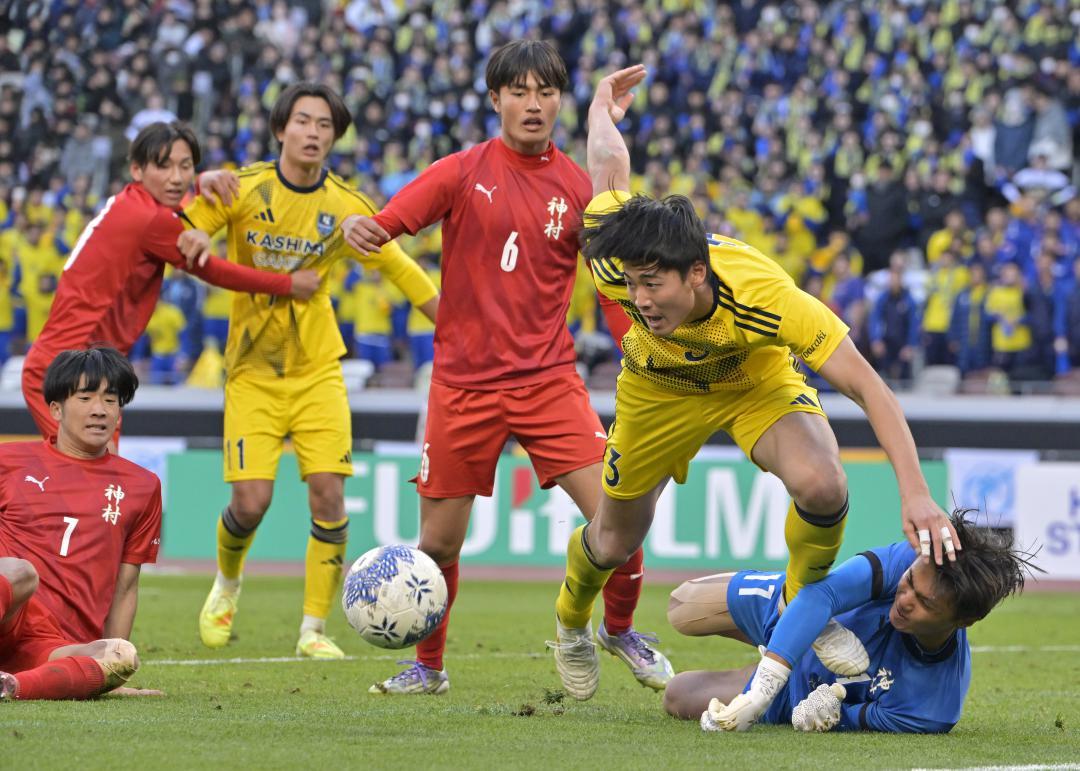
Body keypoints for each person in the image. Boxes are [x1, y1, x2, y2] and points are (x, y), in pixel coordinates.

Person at [551, 65, 958, 702]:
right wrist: (601, 107)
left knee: (824, 484)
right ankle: (572, 623)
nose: (637, 299)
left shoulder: (765, 295)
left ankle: (804, 608)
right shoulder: (618, 257)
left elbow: (870, 388)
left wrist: (916, 493)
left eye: (652, 286)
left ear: (695, 274)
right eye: (630, 284)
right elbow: (608, 171)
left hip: (751, 382)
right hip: (656, 390)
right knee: (613, 538)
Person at [339, 40, 669, 696]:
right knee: (436, 546)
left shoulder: (578, 187)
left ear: (558, 102)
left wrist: (641, 352)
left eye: (546, 92)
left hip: (548, 382)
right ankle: (428, 668)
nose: (534, 104)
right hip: (462, 386)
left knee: (620, 518)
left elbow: (609, 289)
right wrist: (363, 227)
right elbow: (387, 222)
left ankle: (620, 627)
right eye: (519, 91)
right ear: (496, 100)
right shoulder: (461, 171)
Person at [182, 82, 439, 660]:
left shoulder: (346, 206)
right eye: (303, 121)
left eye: (325, 125)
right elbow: (189, 224)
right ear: (281, 130)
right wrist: (193, 226)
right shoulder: (242, 188)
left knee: (328, 496)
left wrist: (450, 321)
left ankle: (313, 629)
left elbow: (399, 267)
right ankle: (226, 584)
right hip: (251, 370)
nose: (314, 133)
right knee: (251, 503)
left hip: (319, 370)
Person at [21, 121, 320, 443]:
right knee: (95, 482)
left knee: (99, 485)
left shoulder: (138, 203)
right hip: (70, 373)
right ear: (137, 170)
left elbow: (180, 207)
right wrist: (287, 284)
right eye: (164, 166)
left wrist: (203, 180)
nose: (176, 177)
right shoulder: (151, 219)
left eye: (186, 166)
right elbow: (214, 270)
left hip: (88, 369)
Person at [665, 512, 1037, 733]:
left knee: (676, 696)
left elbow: (857, 718)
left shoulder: (932, 709)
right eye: (907, 584)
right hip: (799, 607)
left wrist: (825, 717)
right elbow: (821, 594)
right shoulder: (911, 557)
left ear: (965, 621)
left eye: (924, 603)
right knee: (681, 606)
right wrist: (764, 684)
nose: (904, 601)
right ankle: (812, 632)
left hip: (799, 690)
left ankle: (787, 649)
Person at [1, 347, 162, 699]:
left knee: (121, 655)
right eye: (86, 397)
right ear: (56, 409)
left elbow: (125, 587)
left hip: (55, 646)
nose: (100, 410)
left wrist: (111, 676)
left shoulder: (143, 485)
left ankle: (11, 686)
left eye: (111, 399)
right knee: (18, 572)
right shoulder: (8, 461)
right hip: (8, 616)